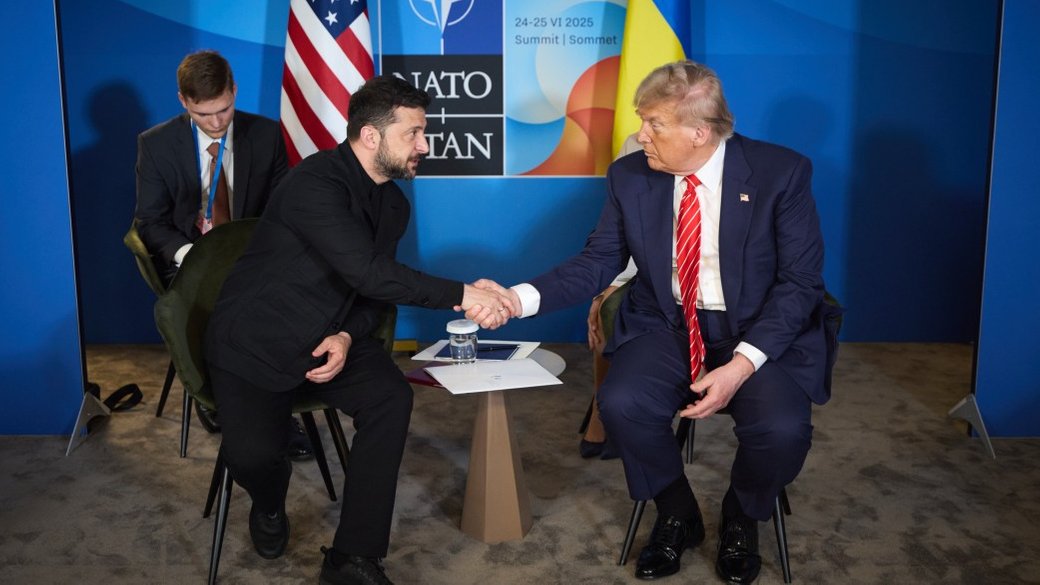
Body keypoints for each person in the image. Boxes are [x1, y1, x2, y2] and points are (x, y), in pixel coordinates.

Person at [474, 61, 836, 584]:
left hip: (757, 331)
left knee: (782, 431)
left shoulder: (781, 173)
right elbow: (597, 261)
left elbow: (801, 282)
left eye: (654, 124)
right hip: (667, 322)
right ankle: (676, 511)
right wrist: (514, 299)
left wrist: (740, 366)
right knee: (622, 403)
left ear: (699, 132)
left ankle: (742, 513)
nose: (640, 135)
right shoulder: (631, 175)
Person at [203, 75, 514, 585]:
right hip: (257, 341)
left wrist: (347, 336)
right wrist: (464, 294)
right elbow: (370, 272)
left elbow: (372, 295)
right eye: (413, 133)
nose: (424, 145)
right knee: (256, 458)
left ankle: (352, 557)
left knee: (391, 398)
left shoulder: (394, 205)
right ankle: (269, 502)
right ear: (371, 136)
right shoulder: (313, 183)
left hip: (330, 338)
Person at [133, 49, 311, 457]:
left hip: (253, 255)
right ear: (183, 101)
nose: (216, 123)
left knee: (287, 300)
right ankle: (236, 405)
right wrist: (190, 257)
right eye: (203, 114)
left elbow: (281, 210)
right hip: (189, 259)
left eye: (224, 110)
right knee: (228, 305)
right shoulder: (156, 145)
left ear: (234, 90)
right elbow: (150, 221)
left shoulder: (266, 135)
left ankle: (272, 411)